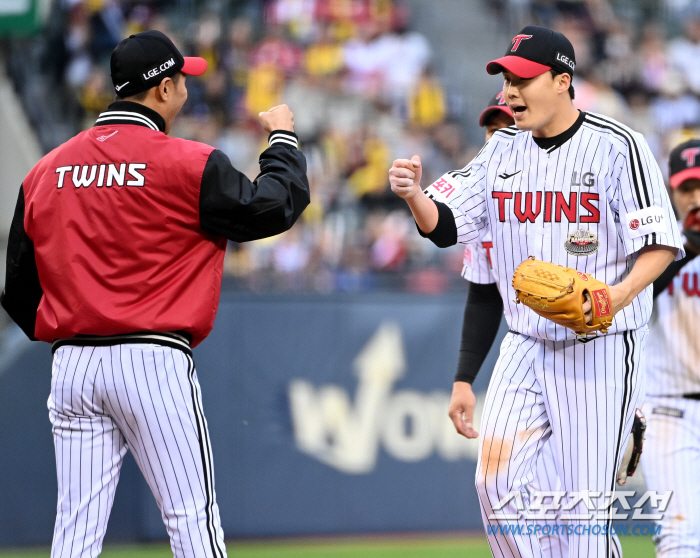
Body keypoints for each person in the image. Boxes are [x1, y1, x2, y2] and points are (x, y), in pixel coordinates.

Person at [1, 30, 309, 558]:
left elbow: (19, 291)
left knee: (74, 535)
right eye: (181, 79)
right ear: (163, 89)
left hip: (72, 365)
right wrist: (282, 141)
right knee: (191, 522)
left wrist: (74, 324)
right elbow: (271, 208)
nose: (186, 89)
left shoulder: (44, 171)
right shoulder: (188, 163)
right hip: (151, 360)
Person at [389, 25, 682, 557]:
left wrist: (614, 298)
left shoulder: (618, 146)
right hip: (525, 344)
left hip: (601, 346)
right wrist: (414, 196)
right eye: (505, 77)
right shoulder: (502, 150)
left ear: (563, 81)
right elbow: (446, 226)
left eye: (523, 78)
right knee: (493, 486)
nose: (509, 91)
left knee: (580, 515)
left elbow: (662, 244)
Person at [642, 138, 700, 558]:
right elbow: (631, 298)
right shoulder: (657, 249)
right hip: (671, 412)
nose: (696, 196)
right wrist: (686, 250)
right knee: (679, 540)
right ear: (671, 192)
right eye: (686, 187)